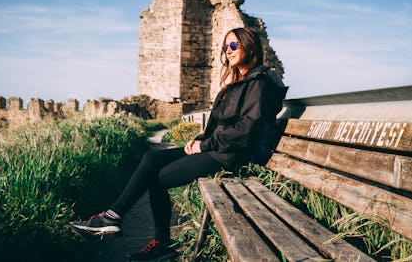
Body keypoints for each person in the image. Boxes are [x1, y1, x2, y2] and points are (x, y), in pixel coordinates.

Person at [71, 27, 288, 262]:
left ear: (250, 46)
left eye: (234, 45)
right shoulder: (238, 83)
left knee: (158, 178)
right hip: (218, 148)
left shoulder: (259, 84)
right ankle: (114, 215)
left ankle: (158, 242)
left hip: (231, 155)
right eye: (226, 46)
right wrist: (201, 140)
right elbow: (220, 126)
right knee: (151, 159)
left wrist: (205, 146)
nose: (228, 50)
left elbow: (245, 132)